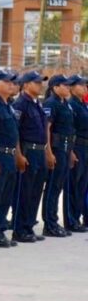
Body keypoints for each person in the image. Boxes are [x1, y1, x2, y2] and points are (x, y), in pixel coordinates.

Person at [0, 71, 23, 248]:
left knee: (6, 195)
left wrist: (17, 155)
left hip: (10, 155)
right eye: (6, 81)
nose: (10, 85)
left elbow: (14, 133)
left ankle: (0, 229)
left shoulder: (8, 105)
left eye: (11, 82)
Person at [13, 71, 49, 243]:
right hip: (28, 150)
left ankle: (28, 226)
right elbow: (15, 132)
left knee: (35, 191)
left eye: (41, 82)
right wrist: (19, 155)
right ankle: (19, 229)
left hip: (39, 151)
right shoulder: (20, 104)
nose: (41, 85)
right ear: (26, 84)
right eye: (37, 82)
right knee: (24, 191)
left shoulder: (37, 104)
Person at [42, 75, 76, 237]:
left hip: (66, 147)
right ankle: (49, 224)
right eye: (65, 85)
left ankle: (53, 221)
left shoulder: (65, 103)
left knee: (58, 186)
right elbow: (47, 129)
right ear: (55, 87)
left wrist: (71, 152)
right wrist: (48, 152)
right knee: (52, 186)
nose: (68, 87)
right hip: (56, 148)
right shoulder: (51, 103)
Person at [66, 76, 88, 231]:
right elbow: (70, 130)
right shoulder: (72, 105)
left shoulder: (83, 105)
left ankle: (77, 217)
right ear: (72, 88)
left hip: (85, 148)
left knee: (82, 185)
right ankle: (71, 220)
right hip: (77, 147)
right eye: (81, 85)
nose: (84, 88)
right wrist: (71, 151)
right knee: (73, 185)